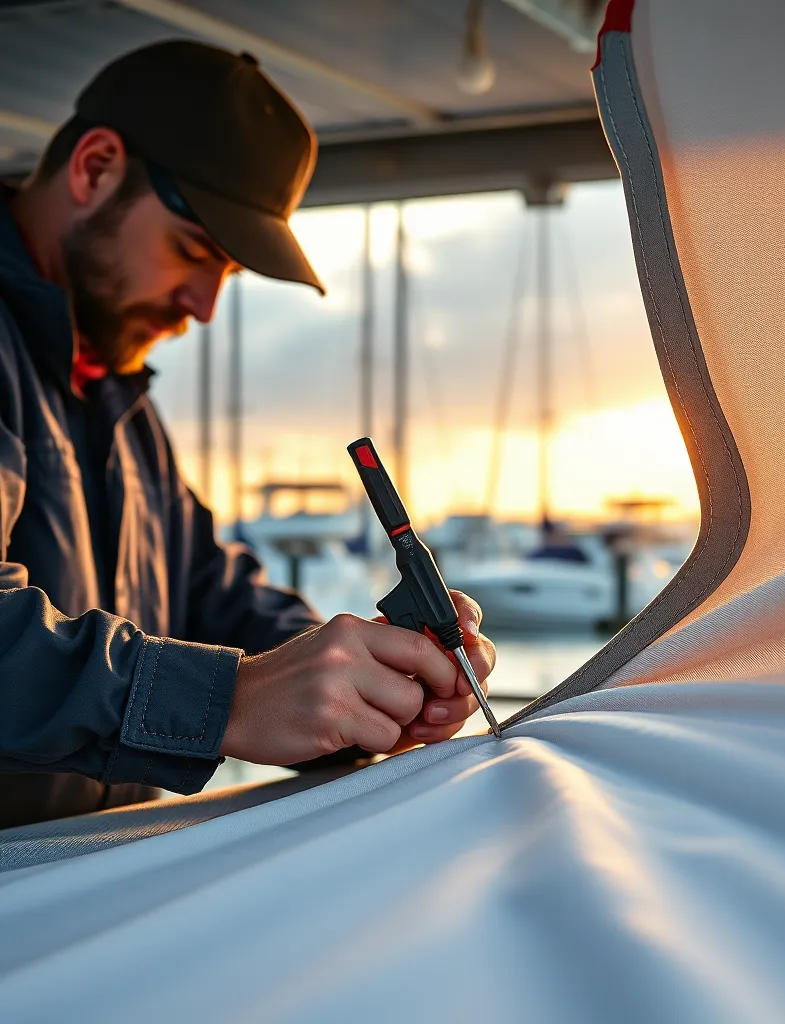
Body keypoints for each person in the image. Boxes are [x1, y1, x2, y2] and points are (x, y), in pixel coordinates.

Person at [0, 41, 495, 829]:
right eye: (194, 252)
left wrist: (363, 683)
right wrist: (232, 700)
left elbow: (207, 587)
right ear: (94, 168)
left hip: (78, 893)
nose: (202, 308)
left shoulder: (117, 400)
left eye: (226, 276)